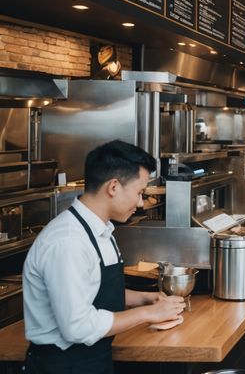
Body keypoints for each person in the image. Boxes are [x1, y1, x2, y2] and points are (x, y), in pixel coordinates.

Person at [22, 140, 185, 373]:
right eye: (139, 193)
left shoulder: (101, 229)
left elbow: (93, 289)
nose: (140, 203)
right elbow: (77, 327)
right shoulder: (68, 242)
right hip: (63, 366)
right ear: (114, 187)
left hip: (93, 360)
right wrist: (148, 313)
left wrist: (144, 299)